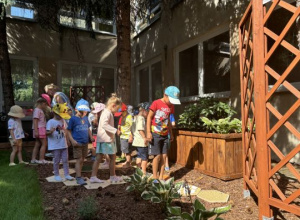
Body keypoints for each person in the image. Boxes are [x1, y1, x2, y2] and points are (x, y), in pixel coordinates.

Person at [147, 86, 181, 182]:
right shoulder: (156, 103)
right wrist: (148, 132)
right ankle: (155, 177)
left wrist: (171, 133)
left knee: (164, 156)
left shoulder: (171, 106)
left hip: (165, 134)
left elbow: (169, 121)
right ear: (165, 95)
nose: (171, 103)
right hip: (155, 133)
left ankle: (161, 176)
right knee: (157, 156)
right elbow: (149, 117)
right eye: (171, 100)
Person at [92, 93, 123, 183]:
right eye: (117, 108)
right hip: (106, 140)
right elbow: (104, 125)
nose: (117, 111)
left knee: (99, 158)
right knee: (113, 157)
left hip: (104, 139)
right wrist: (115, 130)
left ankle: (93, 176)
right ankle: (112, 176)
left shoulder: (106, 112)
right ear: (113, 105)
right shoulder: (107, 113)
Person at [67, 99, 94, 186]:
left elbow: (88, 128)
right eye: (81, 111)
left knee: (82, 159)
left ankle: (79, 175)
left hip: (85, 142)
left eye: (84, 111)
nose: (83, 112)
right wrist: (72, 141)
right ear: (76, 109)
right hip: (77, 143)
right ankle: (78, 177)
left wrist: (91, 137)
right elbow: (68, 131)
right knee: (79, 160)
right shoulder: (73, 119)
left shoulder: (86, 118)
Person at [46, 103, 74, 181]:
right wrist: (50, 132)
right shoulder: (50, 122)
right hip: (55, 145)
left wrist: (68, 140)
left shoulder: (63, 120)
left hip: (63, 144)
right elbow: (46, 133)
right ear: (55, 113)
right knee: (56, 160)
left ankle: (67, 174)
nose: (62, 116)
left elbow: (65, 131)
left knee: (65, 160)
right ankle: (57, 174)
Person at [132, 102, 150, 175]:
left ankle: (138, 170)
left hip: (136, 141)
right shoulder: (141, 118)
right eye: (148, 112)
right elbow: (140, 129)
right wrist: (145, 137)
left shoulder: (135, 118)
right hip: (142, 141)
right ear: (144, 111)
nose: (148, 114)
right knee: (145, 158)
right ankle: (144, 172)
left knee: (139, 156)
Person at [31, 98, 49, 164]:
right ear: (41, 103)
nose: (45, 106)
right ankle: (41, 159)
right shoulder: (37, 110)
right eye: (45, 104)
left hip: (38, 129)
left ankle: (33, 159)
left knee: (37, 143)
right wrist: (36, 131)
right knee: (44, 144)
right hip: (40, 129)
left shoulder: (38, 110)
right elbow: (35, 121)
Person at [117, 103, 133, 168]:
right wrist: (119, 130)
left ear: (125, 111)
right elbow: (120, 125)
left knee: (127, 151)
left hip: (127, 136)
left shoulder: (129, 117)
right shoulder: (122, 116)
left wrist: (131, 136)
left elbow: (132, 127)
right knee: (125, 150)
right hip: (122, 136)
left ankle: (128, 163)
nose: (121, 114)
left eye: (122, 112)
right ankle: (127, 161)